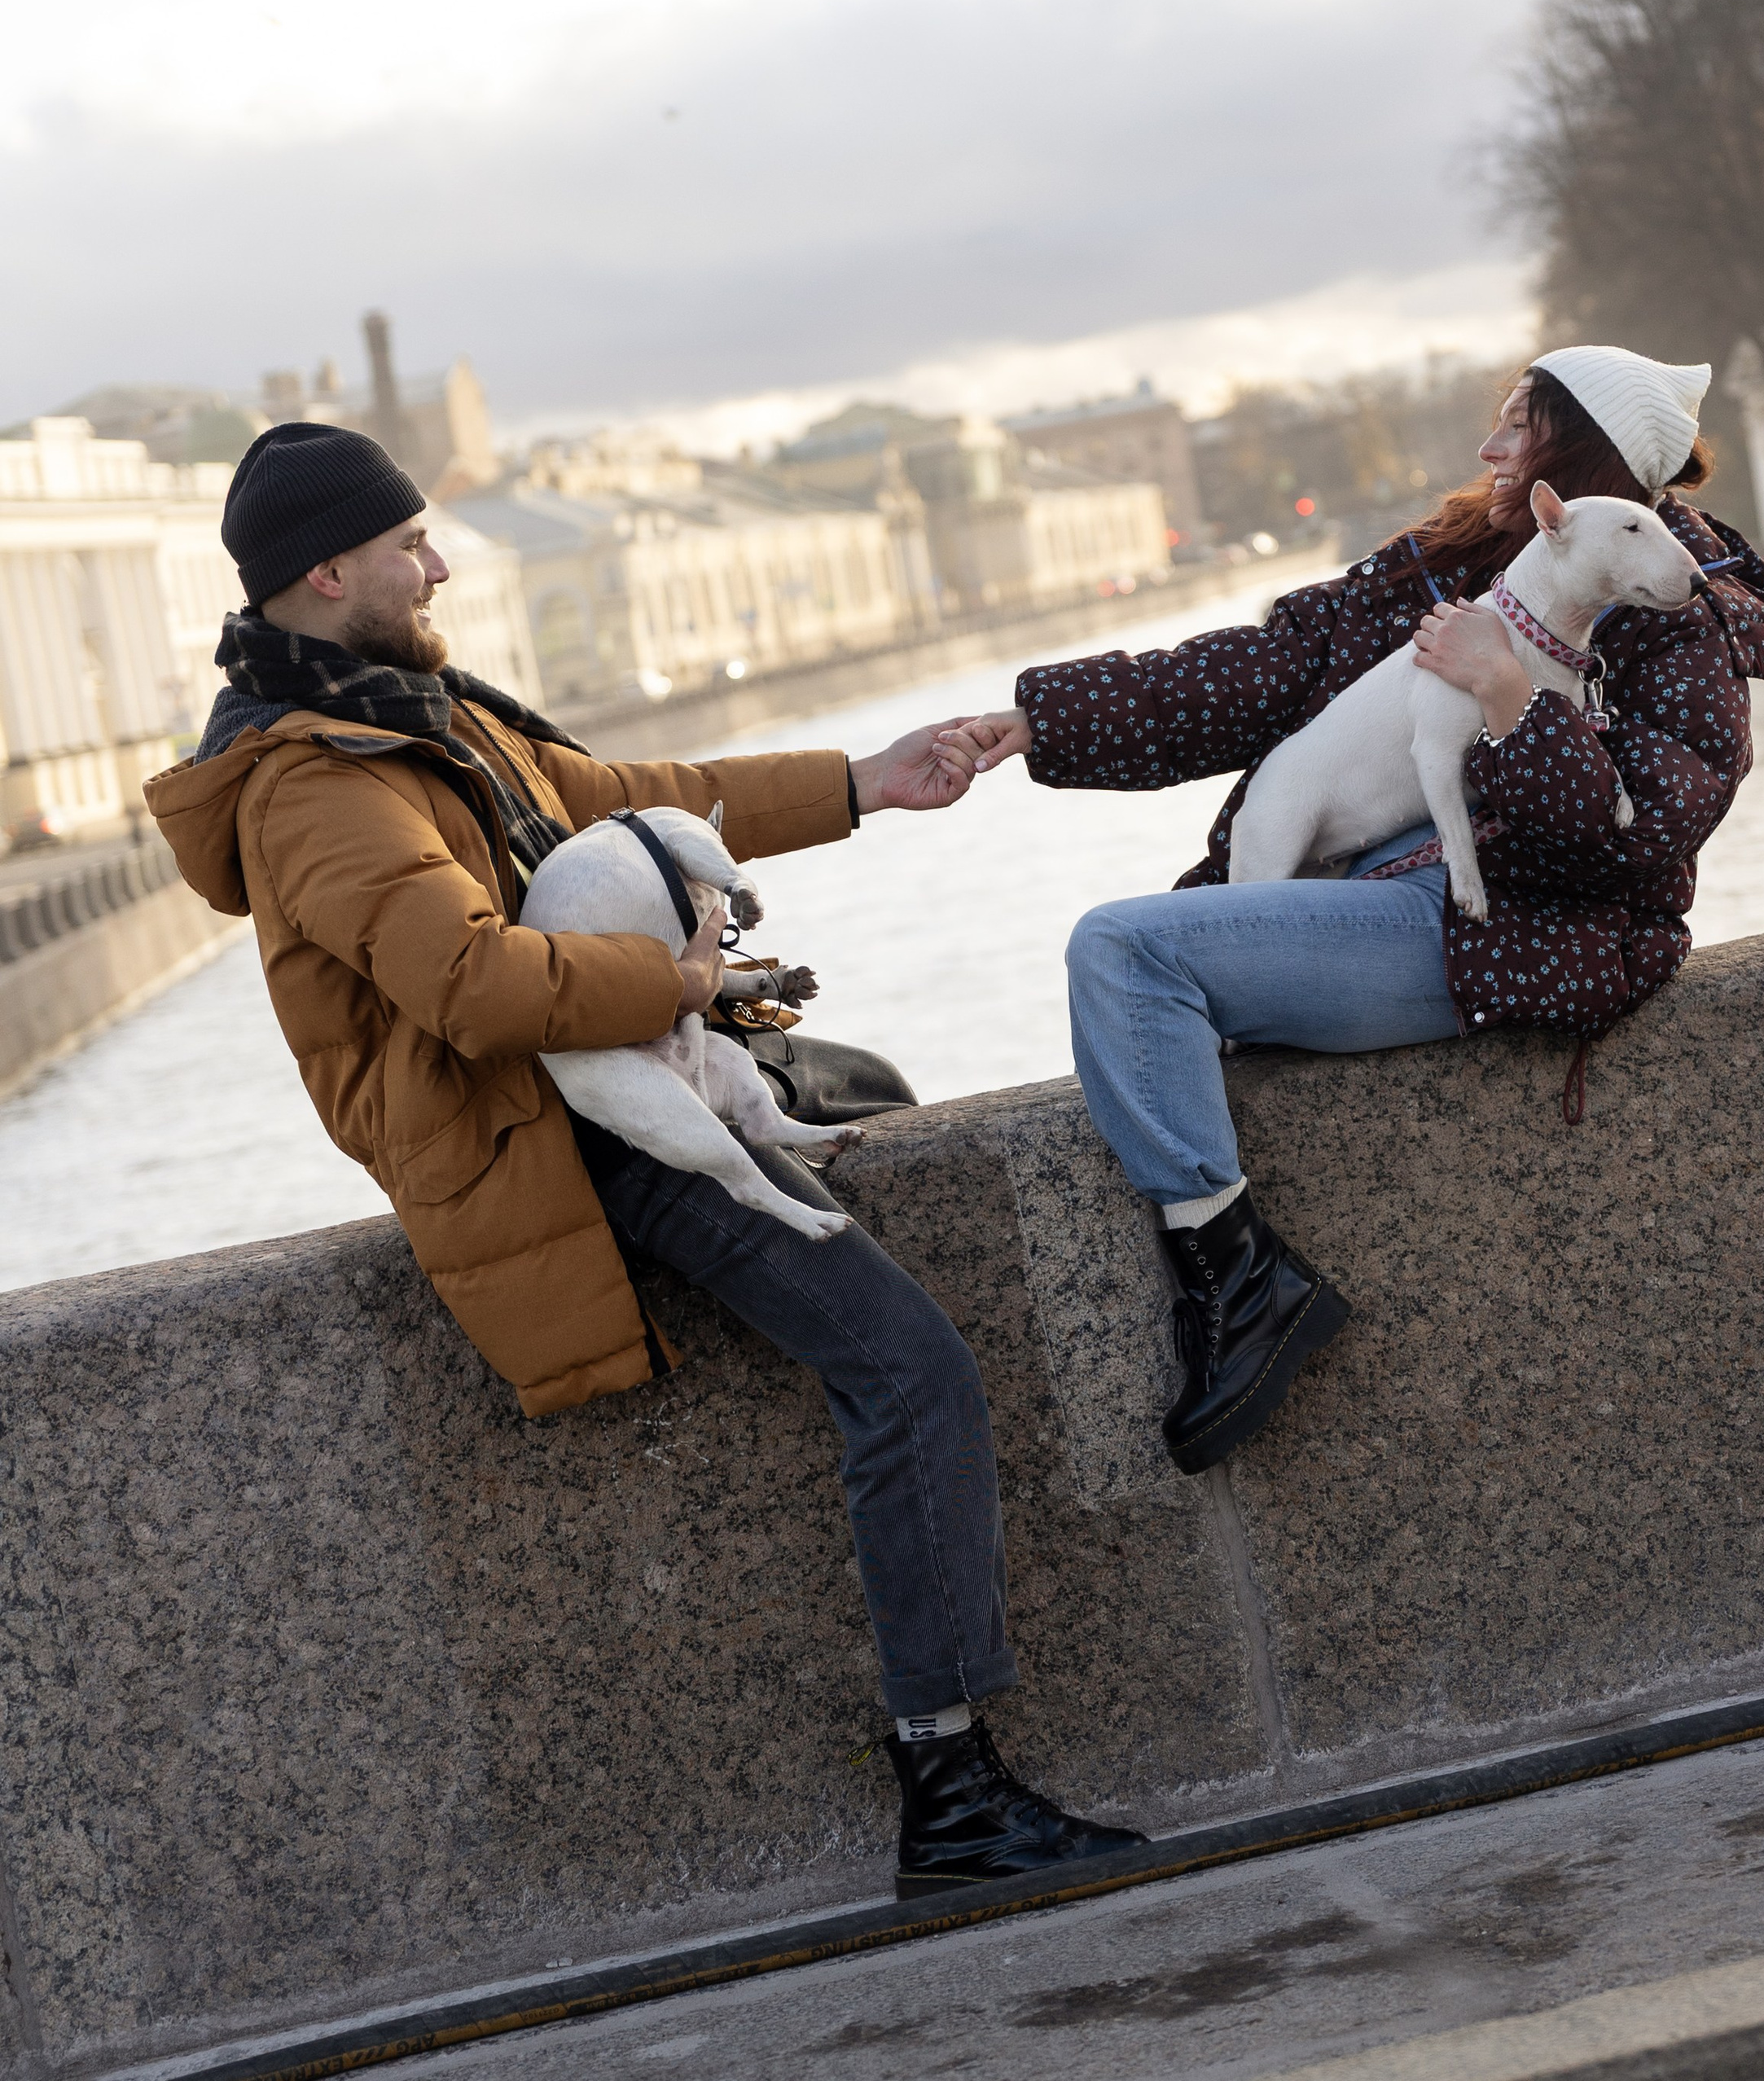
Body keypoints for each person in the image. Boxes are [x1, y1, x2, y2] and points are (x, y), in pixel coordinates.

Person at [147, 421, 1141, 1895]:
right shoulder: (315, 785)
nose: (435, 564)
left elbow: (621, 796)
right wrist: (679, 988)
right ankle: (949, 1790)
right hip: (558, 1144)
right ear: (327, 570)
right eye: (409, 545)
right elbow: (475, 990)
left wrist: (868, 782)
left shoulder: (418, 712)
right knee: (907, 1367)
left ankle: (954, 1769)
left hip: (605, 1090)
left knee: (868, 1091)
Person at [946, 346, 1764, 1477]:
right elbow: (1269, 669)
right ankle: (1240, 1271)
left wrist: (1505, 695)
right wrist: (1039, 722)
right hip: (1378, 900)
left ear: (1584, 460)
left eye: (1518, 429)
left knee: (1124, 950)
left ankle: (1242, 1289)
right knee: (1135, 959)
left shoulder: (1680, 608)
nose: (1489, 451)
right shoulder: (1448, 560)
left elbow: (1635, 851)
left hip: (1508, 938)